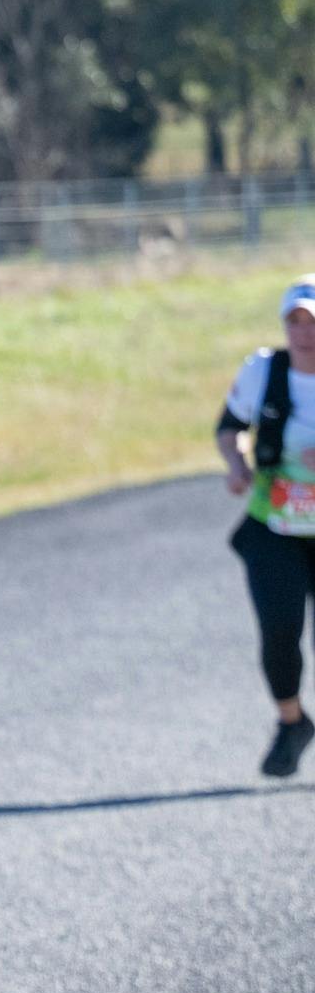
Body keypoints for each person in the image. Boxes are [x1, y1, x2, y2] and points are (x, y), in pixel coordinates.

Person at [216, 274, 315, 778]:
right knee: (278, 632)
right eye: (294, 321)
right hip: (273, 528)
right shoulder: (262, 371)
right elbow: (229, 427)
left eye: (313, 322)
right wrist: (237, 464)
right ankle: (292, 722)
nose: (304, 332)